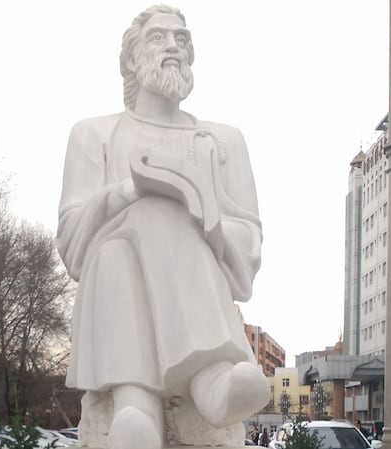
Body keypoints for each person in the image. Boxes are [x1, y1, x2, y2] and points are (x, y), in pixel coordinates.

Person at [56, 4, 268, 449]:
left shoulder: (223, 141)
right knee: (122, 242)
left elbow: (248, 243)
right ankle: (164, 395)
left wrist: (204, 218)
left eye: (182, 38)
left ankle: (168, 397)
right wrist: (128, 192)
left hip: (200, 268)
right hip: (107, 281)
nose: (174, 46)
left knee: (159, 218)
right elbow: (73, 245)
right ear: (131, 59)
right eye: (158, 37)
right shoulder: (93, 135)